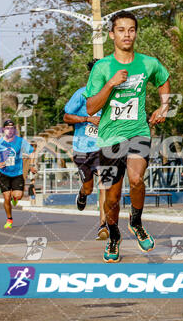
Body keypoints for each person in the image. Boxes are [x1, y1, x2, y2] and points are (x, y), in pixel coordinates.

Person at [85, 10, 171, 263]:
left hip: (138, 133)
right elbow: (91, 107)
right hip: (109, 140)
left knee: (136, 179)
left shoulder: (148, 63)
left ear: (135, 33)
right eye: (121, 30)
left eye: (131, 29)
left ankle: (136, 221)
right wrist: (110, 84)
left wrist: (163, 106)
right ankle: (113, 236)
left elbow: (163, 80)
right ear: (112, 34)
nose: (127, 34)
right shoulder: (102, 68)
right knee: (111, 200)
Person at [64, 59, 108, 240]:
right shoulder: (82, 94)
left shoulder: (111, 95)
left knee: (105, 184)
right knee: (89, 188)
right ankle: (82, 193)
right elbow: (67, 116)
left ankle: (103, 225)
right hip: (82, 147)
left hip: (103, 147)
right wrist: (87, 120)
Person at [0, 120, 37, 229]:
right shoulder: (0, 143)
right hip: (4, 174)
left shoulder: (20, 141)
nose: (10, 130)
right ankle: (9, 219)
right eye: (8, 128)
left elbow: (32, 151)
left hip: (17, 174)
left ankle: (15, 199)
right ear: (4, 130)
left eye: (12, 128)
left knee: (18, 196)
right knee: (6, 197)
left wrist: (32, 165)